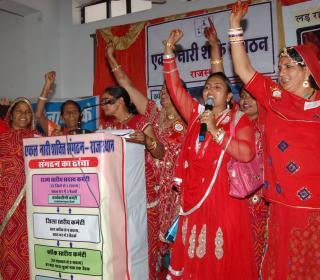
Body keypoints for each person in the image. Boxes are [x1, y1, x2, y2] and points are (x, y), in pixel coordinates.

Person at [229, 1, 320, 278]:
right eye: (280, 66)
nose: (281, 73)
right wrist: (235, 28)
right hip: (283, 207)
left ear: (309, 72)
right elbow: (245, 70)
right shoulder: (274, 98)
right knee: (283, 267)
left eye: (289, 67)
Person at [163, 29, 258, 279]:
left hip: (225, 202)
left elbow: (247, 154)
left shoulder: (239, 120)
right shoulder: (196, 117)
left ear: (228, 97)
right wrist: (169, 53)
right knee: (196, 258)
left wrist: (216, 131)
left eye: (217, 87)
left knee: (222, 260)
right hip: (194, 201)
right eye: (206, 87)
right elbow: (175, 89)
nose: (209, 90)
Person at [105, 42, 187, 279]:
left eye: (169, 88)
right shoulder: (153, 112)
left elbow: (164, 152)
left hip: (178, 190)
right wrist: (111, 57)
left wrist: (148, 143)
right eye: (161, 89)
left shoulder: (191, 118)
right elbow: (126, 84)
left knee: (177, 245)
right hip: (152, 188)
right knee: (151, 245)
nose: (164, 92)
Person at [205, 18, 268, 272]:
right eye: (243, 97)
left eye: (253, 97)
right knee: (234, 253)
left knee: (261, 251)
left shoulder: (270, 123)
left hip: (264, 201)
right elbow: (216, 85)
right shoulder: (234, 123)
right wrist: (215, 49)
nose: (246, 101)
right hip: (235, 196)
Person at [100, 85, 165, 280]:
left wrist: (146, 140)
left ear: (120, 101)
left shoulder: (140, 122)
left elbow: (160, 153)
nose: (103, 106)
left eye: (107, 101)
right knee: (121, 246)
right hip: (118, 193)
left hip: (142, 192)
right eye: (102, 102)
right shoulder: (106, 129)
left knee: (142, 246)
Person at [0, 97, 39, 280]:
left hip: (31, 201)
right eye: (19, 111)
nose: (23, 115)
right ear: (11, 115)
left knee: (28, 243)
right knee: (6, 244)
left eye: (27, 112)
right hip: (4, 202)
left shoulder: (37, 139)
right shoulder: (1, 138)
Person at [35, 71, 90, 136]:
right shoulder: (56, 132)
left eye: (74, 111)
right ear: (62, 118)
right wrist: (47, 86)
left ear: (81, 116)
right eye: (67, 112)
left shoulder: (88, 134)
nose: (71, 114)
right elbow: (39, 114)